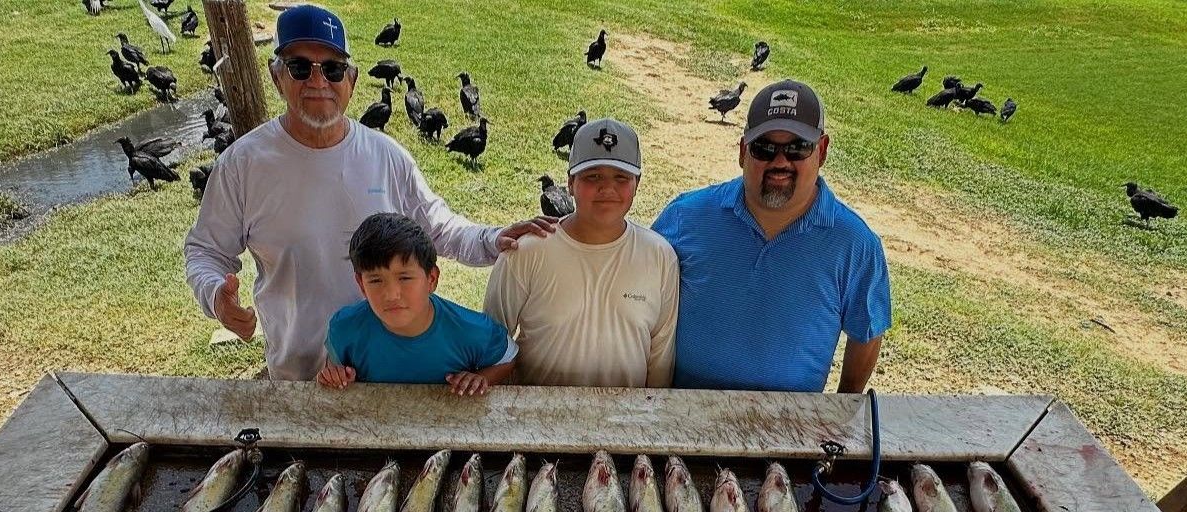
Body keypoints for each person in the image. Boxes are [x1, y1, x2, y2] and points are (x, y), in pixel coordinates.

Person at [183, 4, 553, 381]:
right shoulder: (242, 164)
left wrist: (494, 238)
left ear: (352, 79)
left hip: (389, 378)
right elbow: (206, 251)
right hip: (299, 376)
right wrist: (216, 297)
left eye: (332, 68)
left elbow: (437, 228)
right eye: (299, 67)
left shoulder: (386, 155)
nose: (318, 81)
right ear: (277, 77)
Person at [652, 79, 891, 393]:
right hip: (683, 416)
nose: (780, 162)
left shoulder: (856, 244)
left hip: (791, 427)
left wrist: (844, 406)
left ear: (821, 150)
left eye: (797, 148)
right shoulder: (686, 216)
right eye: (764, 147)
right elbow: (635, 287)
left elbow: (867, 331)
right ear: (742, 151)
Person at [484, 118, 678, 388]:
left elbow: (660, 357)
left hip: (626, 422)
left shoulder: (660, 256)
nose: (607, 188)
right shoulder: (525, 252)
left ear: (638, 183)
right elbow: (491, 344)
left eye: (621, 177)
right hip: (538, 421)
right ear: (570, 182)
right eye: (592, 176)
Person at [318, 213, 516, 395]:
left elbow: (508, 358)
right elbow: (333, 367)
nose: (392, 294)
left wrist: (482, 378)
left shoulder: (470, 329)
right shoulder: (345, 328)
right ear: (361, 284)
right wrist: (334, 376)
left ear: (431, 279)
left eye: (404, 278)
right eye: (376, 280)